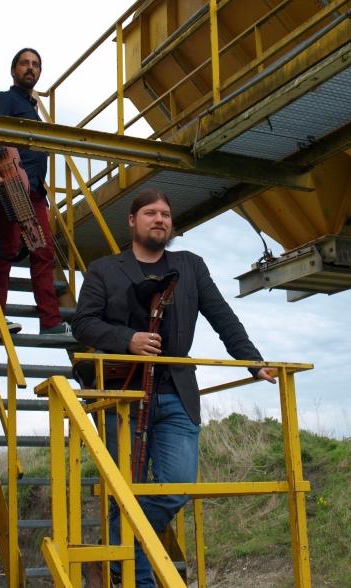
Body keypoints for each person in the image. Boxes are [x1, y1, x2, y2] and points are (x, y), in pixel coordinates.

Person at [72, 189, 276, 587]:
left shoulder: (190, 266)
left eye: (166, 213)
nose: (160, 219)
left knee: (176, 487)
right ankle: (139, 579)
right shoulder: (104, 269)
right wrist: (127, 338)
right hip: (121, 394)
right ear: (132, 221)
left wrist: (253, 362)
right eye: (150, 213)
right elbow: (83, 324)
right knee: (124, 491)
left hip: (176, 393)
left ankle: (110, 551)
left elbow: (223, 317)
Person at [0, 48, 70, 335]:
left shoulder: (33, 110)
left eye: (35, 65)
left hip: (34, 193)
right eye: (24, 64)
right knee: (6, 251)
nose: (30, 68)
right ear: (13, 70)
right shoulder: (5, 99)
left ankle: (50, 322)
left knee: (42, 252)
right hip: (10, 185)